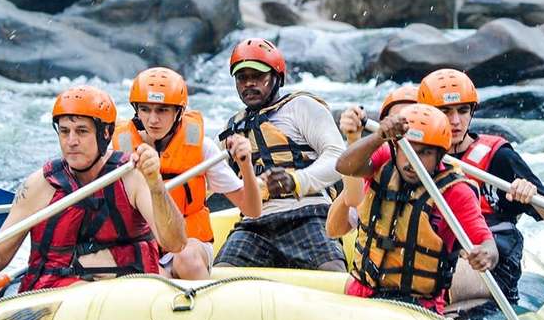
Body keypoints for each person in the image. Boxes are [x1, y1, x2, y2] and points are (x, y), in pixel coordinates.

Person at [0, 86, 186, 291]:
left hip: (126, 293)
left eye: (81, 131)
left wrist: (156, 186)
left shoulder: (132, 176)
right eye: (64, 131)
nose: (71, 141)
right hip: (57, 299)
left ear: (105, 134)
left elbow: (176, 243)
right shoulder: (39, 185)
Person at [416, 69, 544, 301]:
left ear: (472, 111)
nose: (456, 121)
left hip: (493, 258)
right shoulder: (414, 155)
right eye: (445, 112)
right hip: (440, 247)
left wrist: (531, 195)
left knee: (426, 282)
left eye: (463, 110)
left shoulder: (499, 157)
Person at [335, 103, 496, 313]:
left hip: (416, 306)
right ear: (396, 147)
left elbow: (487, 244)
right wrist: (378, 136)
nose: (413, 162)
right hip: (362, 292)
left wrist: (486, 255)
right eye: (408, 150)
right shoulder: (384, 160)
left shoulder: (456, 192)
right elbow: (344, 166)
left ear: (440, 154)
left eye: (425, 153)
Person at [112, 67, 261, 279]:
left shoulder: (201, 148)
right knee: (153, 274)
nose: (153, 119)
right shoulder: (119, 149)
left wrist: (245, 165)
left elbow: (252, 209)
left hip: (192, 244)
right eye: (145, 109)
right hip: (146, 246)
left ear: (178, 112)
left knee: (185, 257)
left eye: (162, 110)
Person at [214, 38, 347, 270]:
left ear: (277, 78)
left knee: (332, 270)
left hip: (308, 212)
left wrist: (296, 180)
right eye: (242, 78)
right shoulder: (232, 128)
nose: (249, 84)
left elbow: (337, 157)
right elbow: (212, 180)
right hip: (255, 224)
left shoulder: (302, 107)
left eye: (257, 76)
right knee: (222, 274)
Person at [327, 86, 419, 239]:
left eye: (411, 121)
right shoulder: (379, 159)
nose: (400, 128)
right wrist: (353, 139)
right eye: (394, 121)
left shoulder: (445, 168)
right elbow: (333, 230)